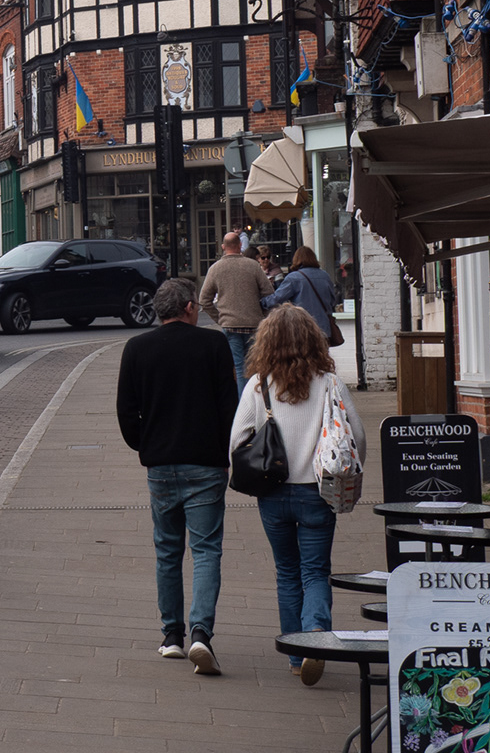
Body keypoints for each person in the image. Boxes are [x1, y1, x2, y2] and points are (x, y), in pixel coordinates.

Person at [230, 304, 365, 687]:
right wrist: (348, 479)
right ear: (312, 339)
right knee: (315, 570)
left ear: (266, 342)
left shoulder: (259, 385)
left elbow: (237, 441)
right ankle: (316, 640)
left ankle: (295, 653)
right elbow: (357, 437)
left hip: (273, 494)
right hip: (318, 493)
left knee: (287, 572)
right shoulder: (329, 383)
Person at [116, 276, 240, 676]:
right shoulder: (213, 345)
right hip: (206, 464)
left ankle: (172, 636)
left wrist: (146, 447)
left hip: (161, 466)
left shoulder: (137, 349)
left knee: (167, 551)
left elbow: (125, 411)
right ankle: (201, 632)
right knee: (205, 551)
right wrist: (225, 453)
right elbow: (229, 406)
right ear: (188, 307)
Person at [197, 231, 272, 392]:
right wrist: (263, 315)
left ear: (223, 247)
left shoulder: (215, 269)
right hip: (253, 323)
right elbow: (269, 293)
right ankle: (258, 403)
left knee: (238, 368)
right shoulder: (253, 266)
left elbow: (204, 300)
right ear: (240, 245)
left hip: (230, 325)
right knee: (255, 368)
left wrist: (220, 318)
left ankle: (242, 407)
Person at [262, 246, 340, 340]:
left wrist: (262, 302)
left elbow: (277, 298)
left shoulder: (294, 278)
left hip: (302, 328)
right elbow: (332, 300)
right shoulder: (325, 276)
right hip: (324, 328)